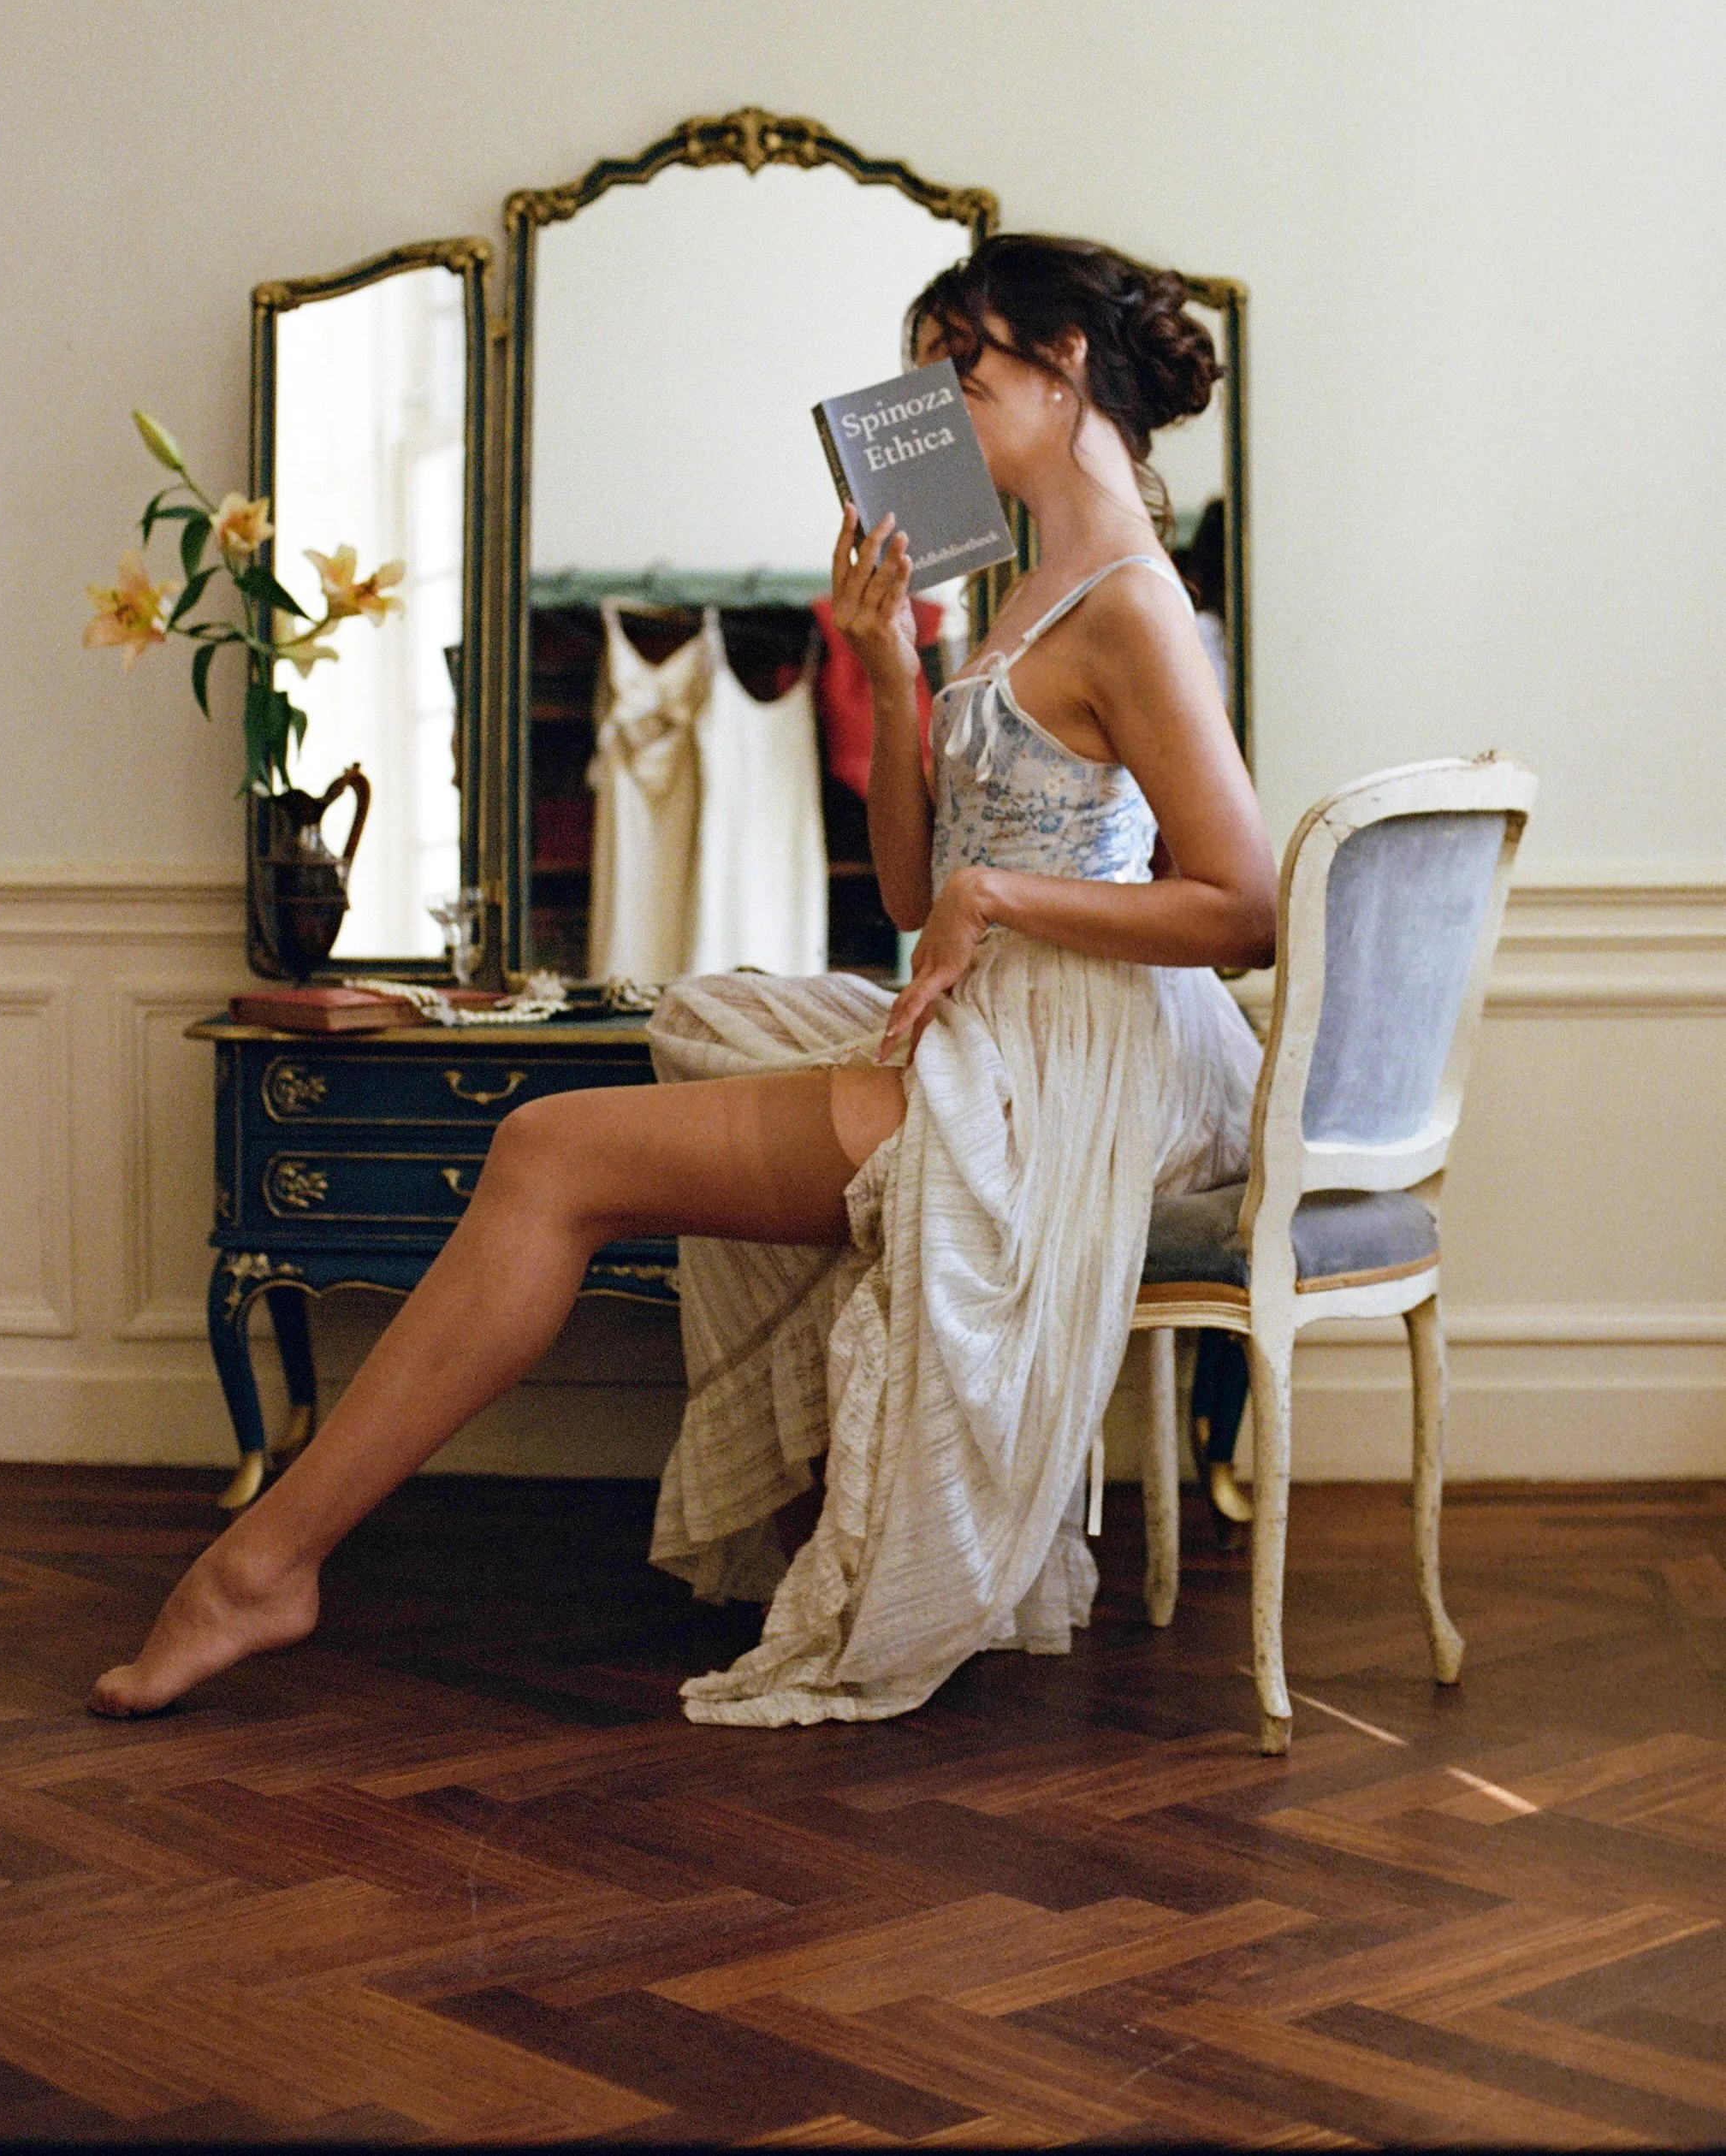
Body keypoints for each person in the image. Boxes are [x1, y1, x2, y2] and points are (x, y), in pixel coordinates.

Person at [92, 234, 1276, 1726]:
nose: (928, 411)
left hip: (1053, 1069)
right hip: (977, 1023)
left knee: (547, 1151)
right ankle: (315, 1559)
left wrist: (1001, 892)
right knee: (688, 1030)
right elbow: (911, 895)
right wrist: (893, 672)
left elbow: (1245, 906)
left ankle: (262, 1565)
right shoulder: (1022, 589)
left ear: (1067, 369)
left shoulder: (1128, 602)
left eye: (958, 374)